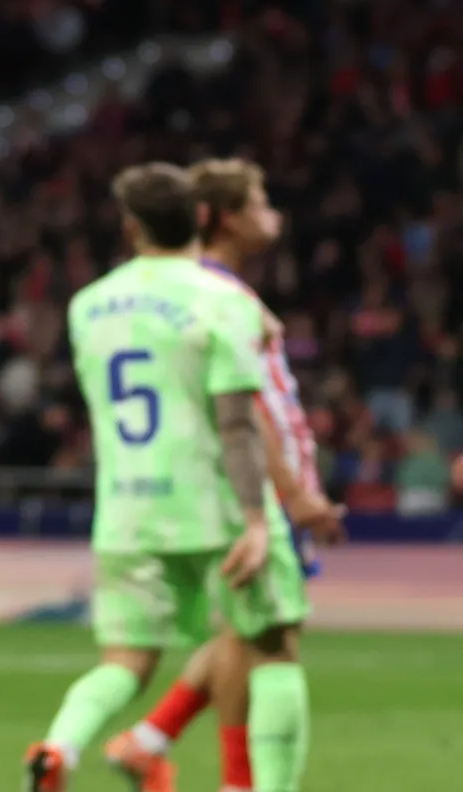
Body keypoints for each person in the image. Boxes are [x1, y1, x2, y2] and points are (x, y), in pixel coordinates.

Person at [24, 163, 310, 792]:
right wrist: (260, 520)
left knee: (124, 662)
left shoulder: (87, 305)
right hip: (217, 505)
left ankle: (59, 747)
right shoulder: (225, 300)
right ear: (201, 218)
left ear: (131, 226)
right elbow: (237, 422)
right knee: (271, 647)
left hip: (128, 509)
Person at [102, 159, 340, 792]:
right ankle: (233, 778)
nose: (275, 215)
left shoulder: (207, 291)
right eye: (262, 202)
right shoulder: (215, 296)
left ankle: (149, 741)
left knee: (247, 636)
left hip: (238, 486)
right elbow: (244, 410)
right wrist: (293, 493)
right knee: (267, 641)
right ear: (221, 217)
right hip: (245, 488)